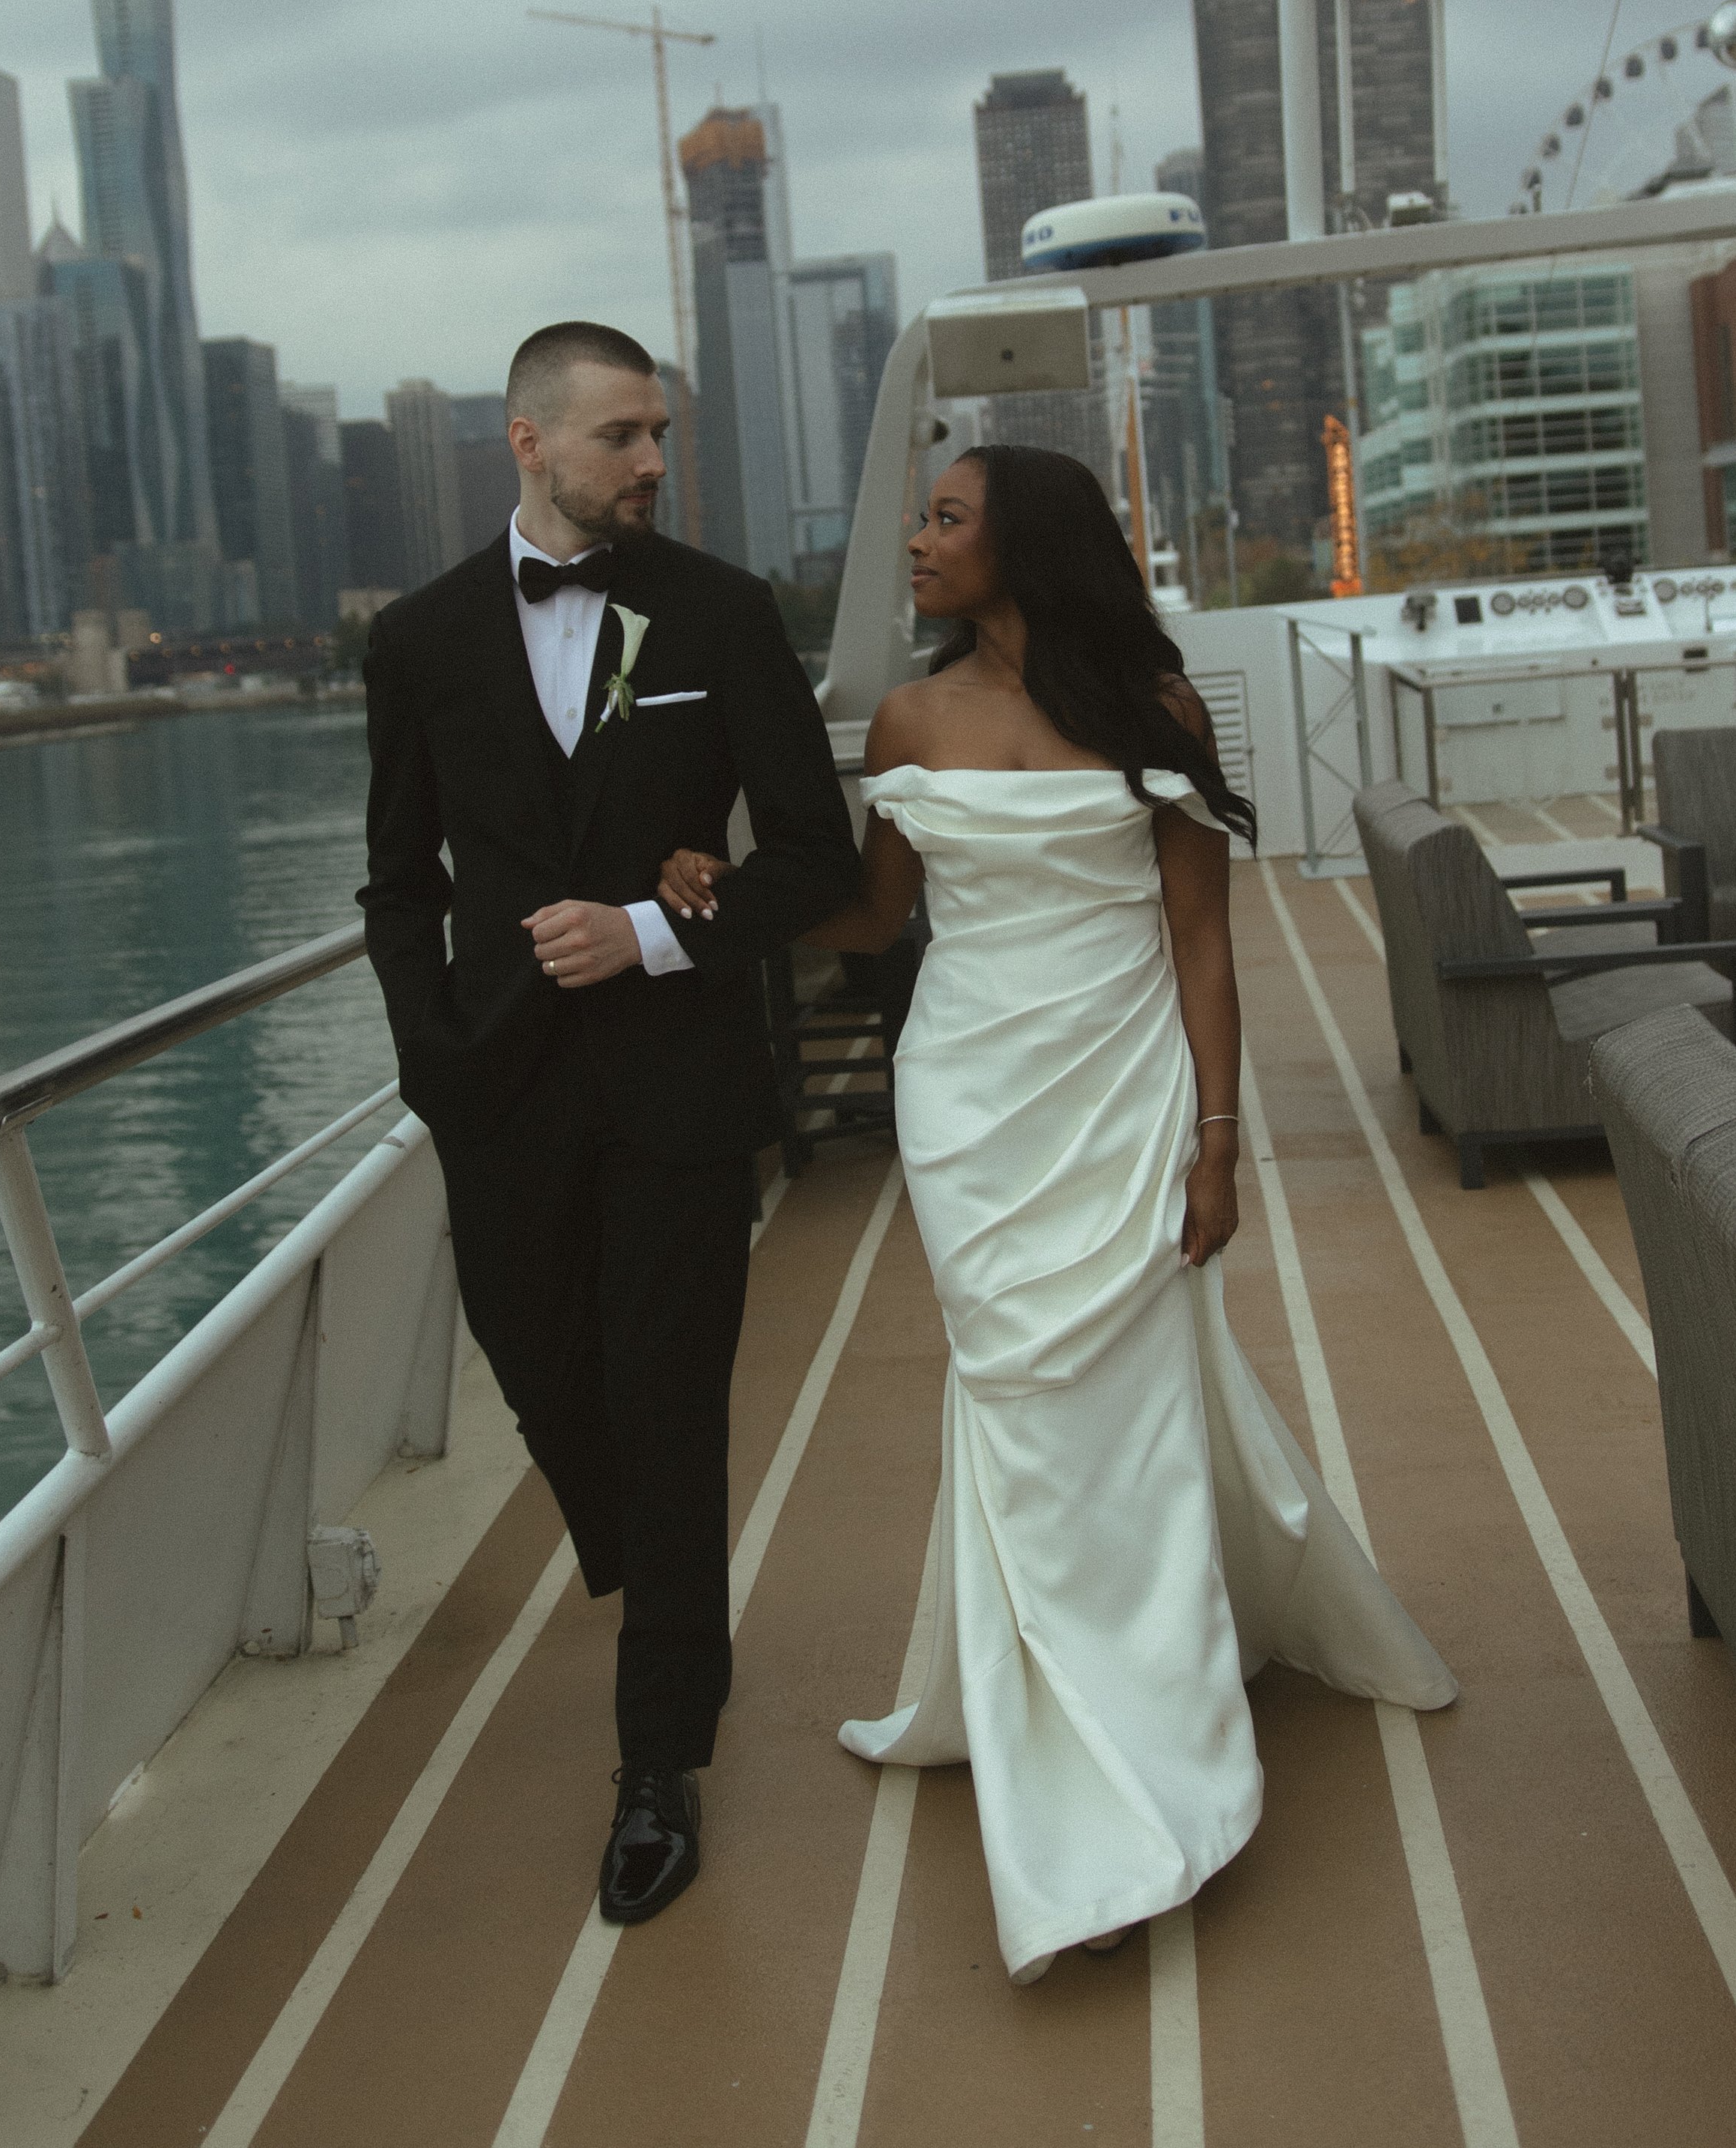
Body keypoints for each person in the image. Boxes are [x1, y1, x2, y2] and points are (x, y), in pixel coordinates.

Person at [658, 443, 1454, 1983]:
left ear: (1025, 545)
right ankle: (1066, 1717)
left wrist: (1217, 1145)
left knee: (1125, 1413)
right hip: (970, 1103)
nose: (917, 539)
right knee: (1021, 1402)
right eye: (923, 517)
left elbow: (1202, 942)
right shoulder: (909, 720)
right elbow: (873, 916)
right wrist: (722, 888)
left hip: (1124, 1090)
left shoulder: (1155, 710)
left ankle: (1145, 1737)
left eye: (946, 518)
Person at [358, 321, 859, 1928]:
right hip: (495, 1085)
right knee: (535, 1355)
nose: (651, 462)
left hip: (675, 1083)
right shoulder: (419, 638)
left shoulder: (721, 612)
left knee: (670, 1407)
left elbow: (815, 856)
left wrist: (647, 933)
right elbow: (396, 881)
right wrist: (430, 1055)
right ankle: (648, 1551)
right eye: (621, 435)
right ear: (528, 442)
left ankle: (658, 1761)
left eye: (660, 436)